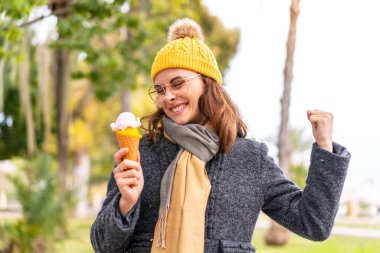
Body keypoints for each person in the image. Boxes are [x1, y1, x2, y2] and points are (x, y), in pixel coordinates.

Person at [90, 18, 351, 253]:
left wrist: (325, 148)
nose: (168, 96)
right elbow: (103, 245)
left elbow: (313, 223)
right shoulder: (142, 153)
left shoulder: (250, 157)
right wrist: (126, 203)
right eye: (160, 89)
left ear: (207, 83)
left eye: (178, 83)